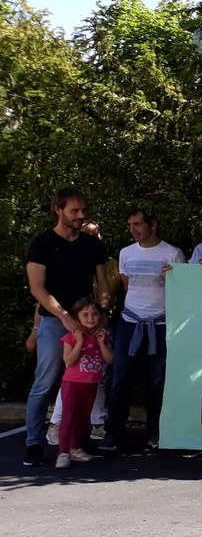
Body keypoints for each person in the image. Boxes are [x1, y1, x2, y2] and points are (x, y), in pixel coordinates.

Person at [23, 188, 110, 467]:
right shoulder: (41, 244)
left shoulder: (93, 245)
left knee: (87, 382)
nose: (81, 215)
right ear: (57, 210)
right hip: (53, 322)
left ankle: (77, 440)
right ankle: (34, 443)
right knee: (45, 382)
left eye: (83, 210)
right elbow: (37, 288)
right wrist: (63, 317)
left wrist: (102, 315)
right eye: (74, 210)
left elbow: (104, 286)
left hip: (86, 322)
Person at [106, 207, 185, 453]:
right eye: (130, 225)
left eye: (138, 224)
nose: (133, 230)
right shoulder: (126, 253)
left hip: (161, 325)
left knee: (158, 381)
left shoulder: (173, 254)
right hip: (130, 323)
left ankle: (156, 432)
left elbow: (182, 290)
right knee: (120, 378)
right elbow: (127, 287)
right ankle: (113, 433)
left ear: (153, 225)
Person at [55, 298, 115, 469]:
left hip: (91, 383)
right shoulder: (71, 337)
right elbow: (68, 360)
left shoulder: (101, 336)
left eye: (95, 314)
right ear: (77, 316)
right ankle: (63, 452)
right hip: (72, 384)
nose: (90, 318)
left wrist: (102, 343)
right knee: (68, 417)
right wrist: (79, 342)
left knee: (83, 418)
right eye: (85, 315)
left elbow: (109, 359)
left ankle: (75, 448)